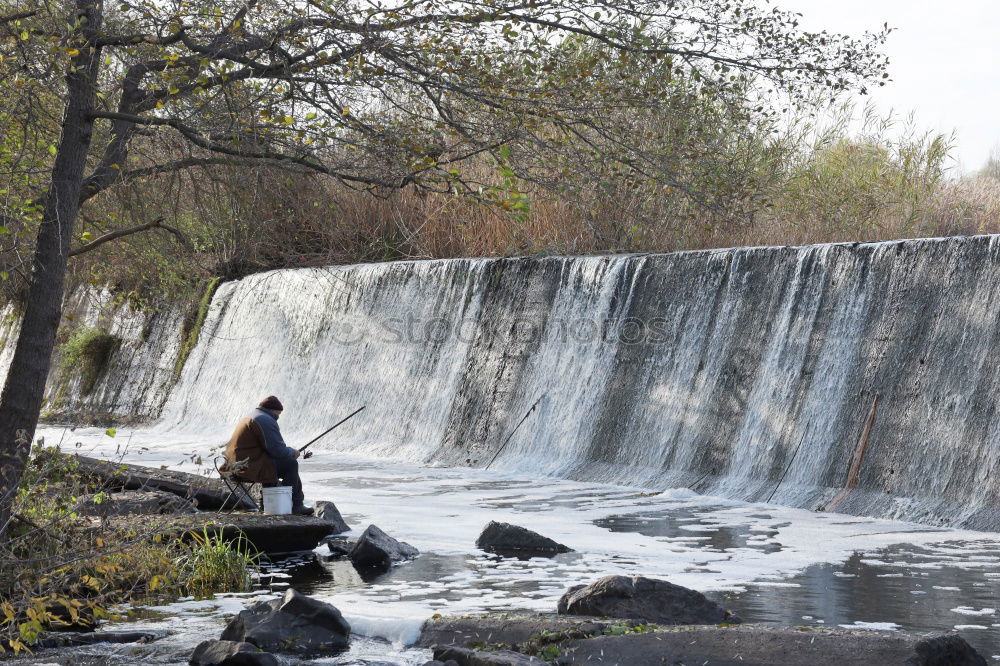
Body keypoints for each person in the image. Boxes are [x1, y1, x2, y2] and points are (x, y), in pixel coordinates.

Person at [224, 395, 313, 515]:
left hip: (232, 466)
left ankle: (266, 504)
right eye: (278, 414)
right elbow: (277, 450)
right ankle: (296, 505)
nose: (278, 417)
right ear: (273, 410)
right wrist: (293, 453)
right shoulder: (265, 420)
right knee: (290, 464)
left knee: (270, 463)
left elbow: (270, 449)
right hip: (246, 468)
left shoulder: (251, 416)